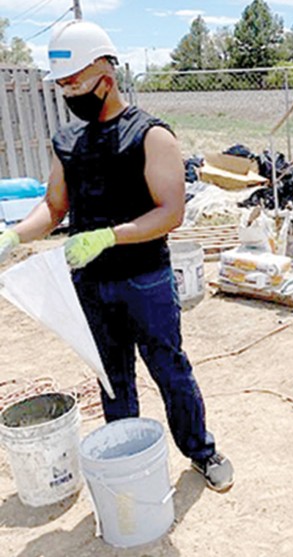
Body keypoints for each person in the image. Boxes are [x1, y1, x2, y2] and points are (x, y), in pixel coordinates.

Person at [0, 20, 233, 492]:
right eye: (62, 85)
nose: (67, 92)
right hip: (90, 282)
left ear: (105, 75)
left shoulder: (151, 135)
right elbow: (53, 207)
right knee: (112, 377)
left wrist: (110, 236)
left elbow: (171, 212)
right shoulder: (69, 142)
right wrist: (12, 236)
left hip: (144, 278)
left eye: (74, 83)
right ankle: (130, 463)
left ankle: (201, 451)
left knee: (170, 369)